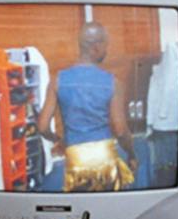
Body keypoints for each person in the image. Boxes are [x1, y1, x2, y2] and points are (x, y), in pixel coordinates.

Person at [37, 22, 135, 192]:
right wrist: (132, 154)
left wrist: (58, 140)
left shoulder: (57, 80)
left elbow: (42, 126)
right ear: (96, 47)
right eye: (106, 46)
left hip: (76, 157)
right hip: (104, 158)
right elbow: (120, 130)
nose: (107, 50)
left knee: (80, 208)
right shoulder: (113, 82)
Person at [138, 32, 178, 189]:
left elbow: (169, 84)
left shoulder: (170, 50)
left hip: (165, 121)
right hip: (168, 120)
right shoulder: (172, 51)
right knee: (169, 162)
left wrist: (158, 116)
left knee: (165, 165)